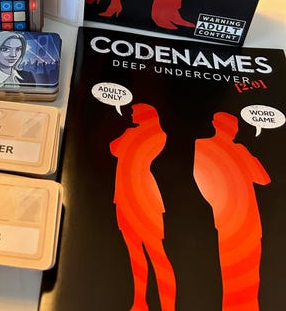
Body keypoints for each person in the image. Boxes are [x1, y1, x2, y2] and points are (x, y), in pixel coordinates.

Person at [194, 112, 270, 310]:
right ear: (216, 125)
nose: (234, 130)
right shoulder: (204, 145)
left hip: (247, 221)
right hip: (230, 219)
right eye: (231, 126)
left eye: (235, 126)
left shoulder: (239, 149)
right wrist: (219, 204)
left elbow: (264, 178)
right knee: (233, 272)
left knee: (250, 274)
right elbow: (201, 178)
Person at [110, 103, 176, 311]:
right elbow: (114, 149)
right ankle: (140, 302)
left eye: (134, 112)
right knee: (136, 254)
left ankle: (167, 306)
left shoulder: (154, 134)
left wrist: (129, 133)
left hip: (143, 199)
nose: (131, 114)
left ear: (145, 114)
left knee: (156, 254)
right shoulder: (144, 133)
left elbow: (115, 148)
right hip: (125, 196)